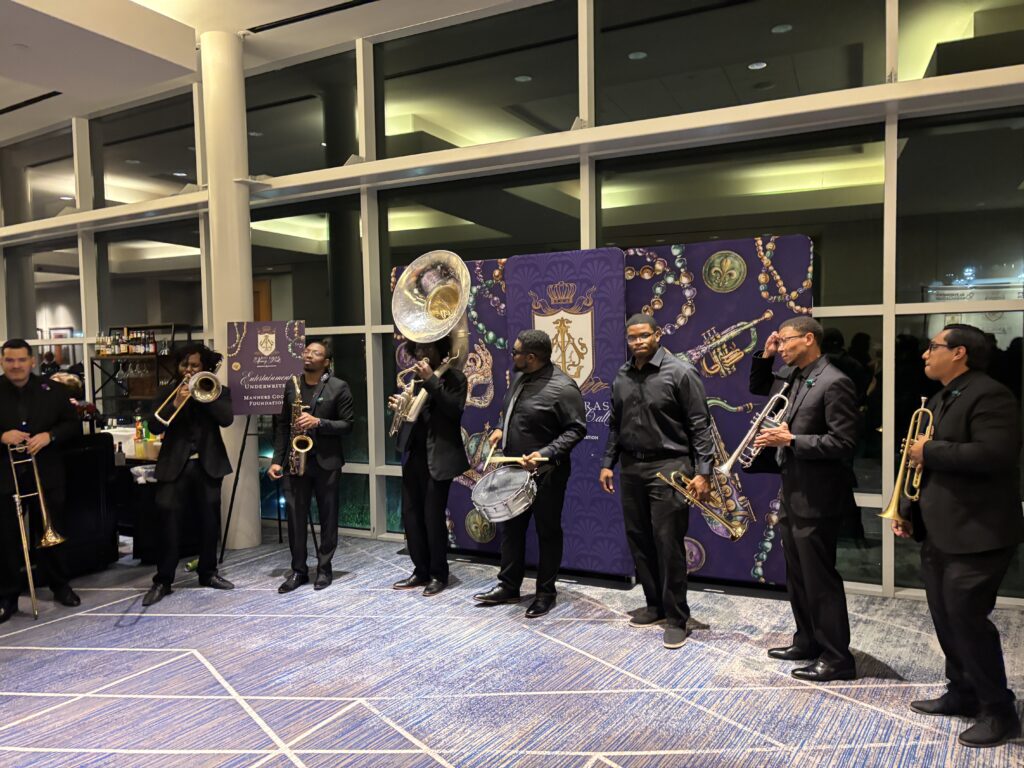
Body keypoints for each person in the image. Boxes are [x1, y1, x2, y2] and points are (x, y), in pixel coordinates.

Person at [893, 323, 1023, 748]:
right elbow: (922, 467)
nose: (925, 354)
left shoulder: (991, 395)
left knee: (967, 621)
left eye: (933, 347)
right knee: (946, 618)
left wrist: (928, 450)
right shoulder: (942, 397)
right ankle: (963, 692)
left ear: (959, 352)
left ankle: (999, 711)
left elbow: (995, 453)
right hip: (942, 529)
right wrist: (907, 509)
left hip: (978, 532)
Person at [750, 316, 859, 681]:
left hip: (819, 496)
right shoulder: (794, 376)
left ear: (809, 338)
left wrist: (792, 440)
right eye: (779, 342)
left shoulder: (835, 381)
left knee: (819, 578)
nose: (781, 346)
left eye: (785, 341)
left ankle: (837, 657)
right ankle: (808, 640)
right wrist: (765, 356)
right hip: (793, 490)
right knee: (797, 575)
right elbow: (759, 386)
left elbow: (844, 442)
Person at [599, 314, 715, 649]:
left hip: (670, 466)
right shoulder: (622, 375)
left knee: (668, 544)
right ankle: (655, 606)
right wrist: (608, 463)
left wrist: (703, 472)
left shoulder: (681, 372)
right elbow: (616, 425)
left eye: (643, 336)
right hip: (631, 467)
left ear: (658, 335)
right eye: (632, 337)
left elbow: (700, 426)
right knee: (639, 540)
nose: (638, 342)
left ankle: (677, 617)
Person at [473, 329, 586, 618]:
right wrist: (501, 428)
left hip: (547, 474)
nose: (512, 356)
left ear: (532, 357)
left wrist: (545, 453)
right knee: (511, 531)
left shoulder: (564, 387)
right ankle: (508, 586)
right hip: (512, 471)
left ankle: (545, 593)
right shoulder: (520, 378)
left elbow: (576, 429)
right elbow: (509, 410)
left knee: (547, 532)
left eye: (516, 352)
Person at [143, 344, 235, 606]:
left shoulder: (217, 390)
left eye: (195, 365)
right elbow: (154, 426)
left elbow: (226, 419)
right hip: (174, 466)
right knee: (168, 523)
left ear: (204, 367)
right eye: (185, 365)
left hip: (208, 465)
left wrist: (203, 397)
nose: (189, 370)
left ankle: (208, 572)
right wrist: (176, 402)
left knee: (209, 522)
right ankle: (163, 580)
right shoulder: (167, 392)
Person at [0, 339, 82, 622]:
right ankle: (7, 596)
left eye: (21, 360)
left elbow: (73, 425)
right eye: (10, 360)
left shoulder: (54, 390)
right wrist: (2, 436)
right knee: (6, 538)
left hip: (46, 474)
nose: (16, 365)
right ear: (2, 362)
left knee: (51, 531)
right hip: (5, 476)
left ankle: (60, 585)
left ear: (32, 361)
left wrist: (50, 436)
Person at [269, 340, 354, 593]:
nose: (308, 355)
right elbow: (282, 426)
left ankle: (325, 568)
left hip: (326, 463)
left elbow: (348, 425)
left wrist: (319, 422)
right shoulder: (292, 385)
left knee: (328, 518)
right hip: (295, 462)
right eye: (306, 351)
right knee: (295, 518)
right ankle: (298, 570)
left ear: (326, 362)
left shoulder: (339, 387)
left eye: (315, 353)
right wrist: (276, 460)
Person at [389, 335, 468, 596]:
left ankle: (438, 574)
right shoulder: (414, 380)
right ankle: (420, 570)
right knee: (411, 517)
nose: (422, 351)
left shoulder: (455, 378)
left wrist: (432, 381)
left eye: (428, 347)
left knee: (433, 519)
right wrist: (400, 408)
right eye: (419, 347)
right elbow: (414, 419)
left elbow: (453, 410)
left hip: (439, 458)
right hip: (414, 457)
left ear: (440, 349)